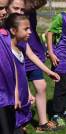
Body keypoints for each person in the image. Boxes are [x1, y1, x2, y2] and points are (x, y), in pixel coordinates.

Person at [7, 0, 59, 132]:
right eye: (16, 9)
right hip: (12, 74)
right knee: (19, 97)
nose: (20, 12)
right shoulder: (5, 34)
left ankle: (42, 123)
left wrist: (48, 71)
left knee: (41, 86)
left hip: (31, 57)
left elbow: (30, 54)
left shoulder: (24, 39)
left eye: (22, 9)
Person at [0, 0, 19, 133]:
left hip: (8, 95)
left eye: (5, 8)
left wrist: (16, 91)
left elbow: (12, 64)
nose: (4, 12)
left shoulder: (5, 33)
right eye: (0, 8)